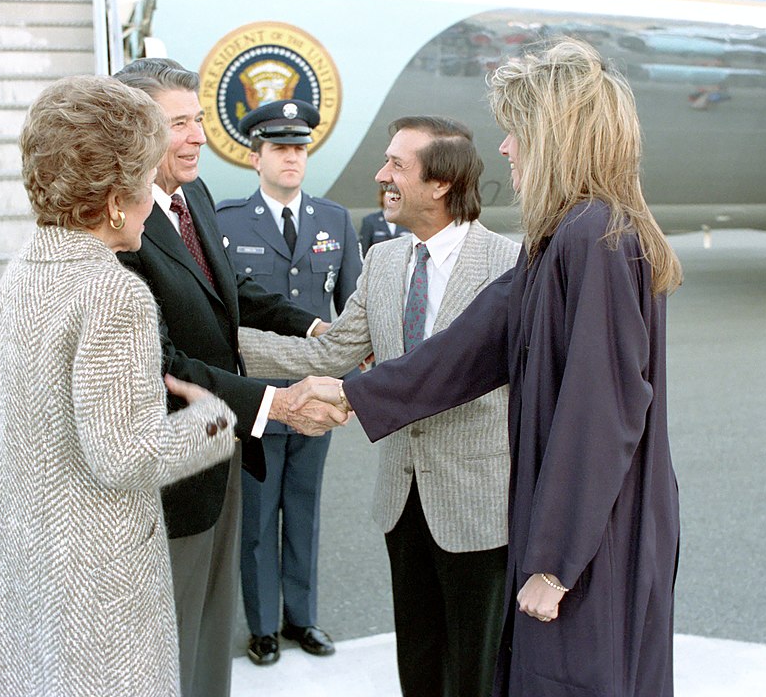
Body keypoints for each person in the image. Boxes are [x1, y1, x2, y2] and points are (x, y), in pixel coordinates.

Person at [299, 38, 684, 696]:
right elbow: (467, 347)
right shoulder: (561, 238)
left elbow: (602, 412)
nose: (504, 148)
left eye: (516, 131)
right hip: (577, 531)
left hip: (594, 540)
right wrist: (356, 394)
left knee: (576, 680)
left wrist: (555, 565)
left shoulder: (592, 239)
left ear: (555, 137)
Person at [0, 75, 238, 697]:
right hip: (98, 582)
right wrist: (212, 421)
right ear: (117, 198)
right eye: (145, 180)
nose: (152, 197)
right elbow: (125, 456)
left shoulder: (24, 271)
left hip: (29, 562)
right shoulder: (113, 292)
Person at [239, 115, 519, 696]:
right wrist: (213, 340)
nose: (381, 175)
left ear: (440, 184)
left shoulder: (509, 266)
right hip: (402, 498)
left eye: (396, 164)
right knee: (418, 663)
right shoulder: (387, 262)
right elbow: (334, 349)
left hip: (478, 502)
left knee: (478, 668)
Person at [112, 59, 346, 697]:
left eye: (198, 121)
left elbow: (229, 292)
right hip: (170, 468)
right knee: (171, 642)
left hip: (221, 449)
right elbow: (161, 364)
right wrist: (276, 402)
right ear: (135, 130)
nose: (197, 138)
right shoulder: (119, 225)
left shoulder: (196, 198)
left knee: (213, 633)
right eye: (178, 124)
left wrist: (310, 327)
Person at [215, 99, 361, 666]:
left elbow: (351, 307)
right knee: (257, 516)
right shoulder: (226, 223)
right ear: (256, 157)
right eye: (279, 148)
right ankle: (263, 626)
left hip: (319, 394)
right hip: (262, 397)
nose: (291, 158)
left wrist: (345, 382)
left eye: (299, 148)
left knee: (303, 508)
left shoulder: (333, 220)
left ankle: (302, 618)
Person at [359, 184, 411, 256]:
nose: (393, 197)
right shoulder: (370, 221)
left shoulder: (409, 221)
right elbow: (364, 250)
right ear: (382, 196)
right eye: (389, 193)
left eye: (397, 194)